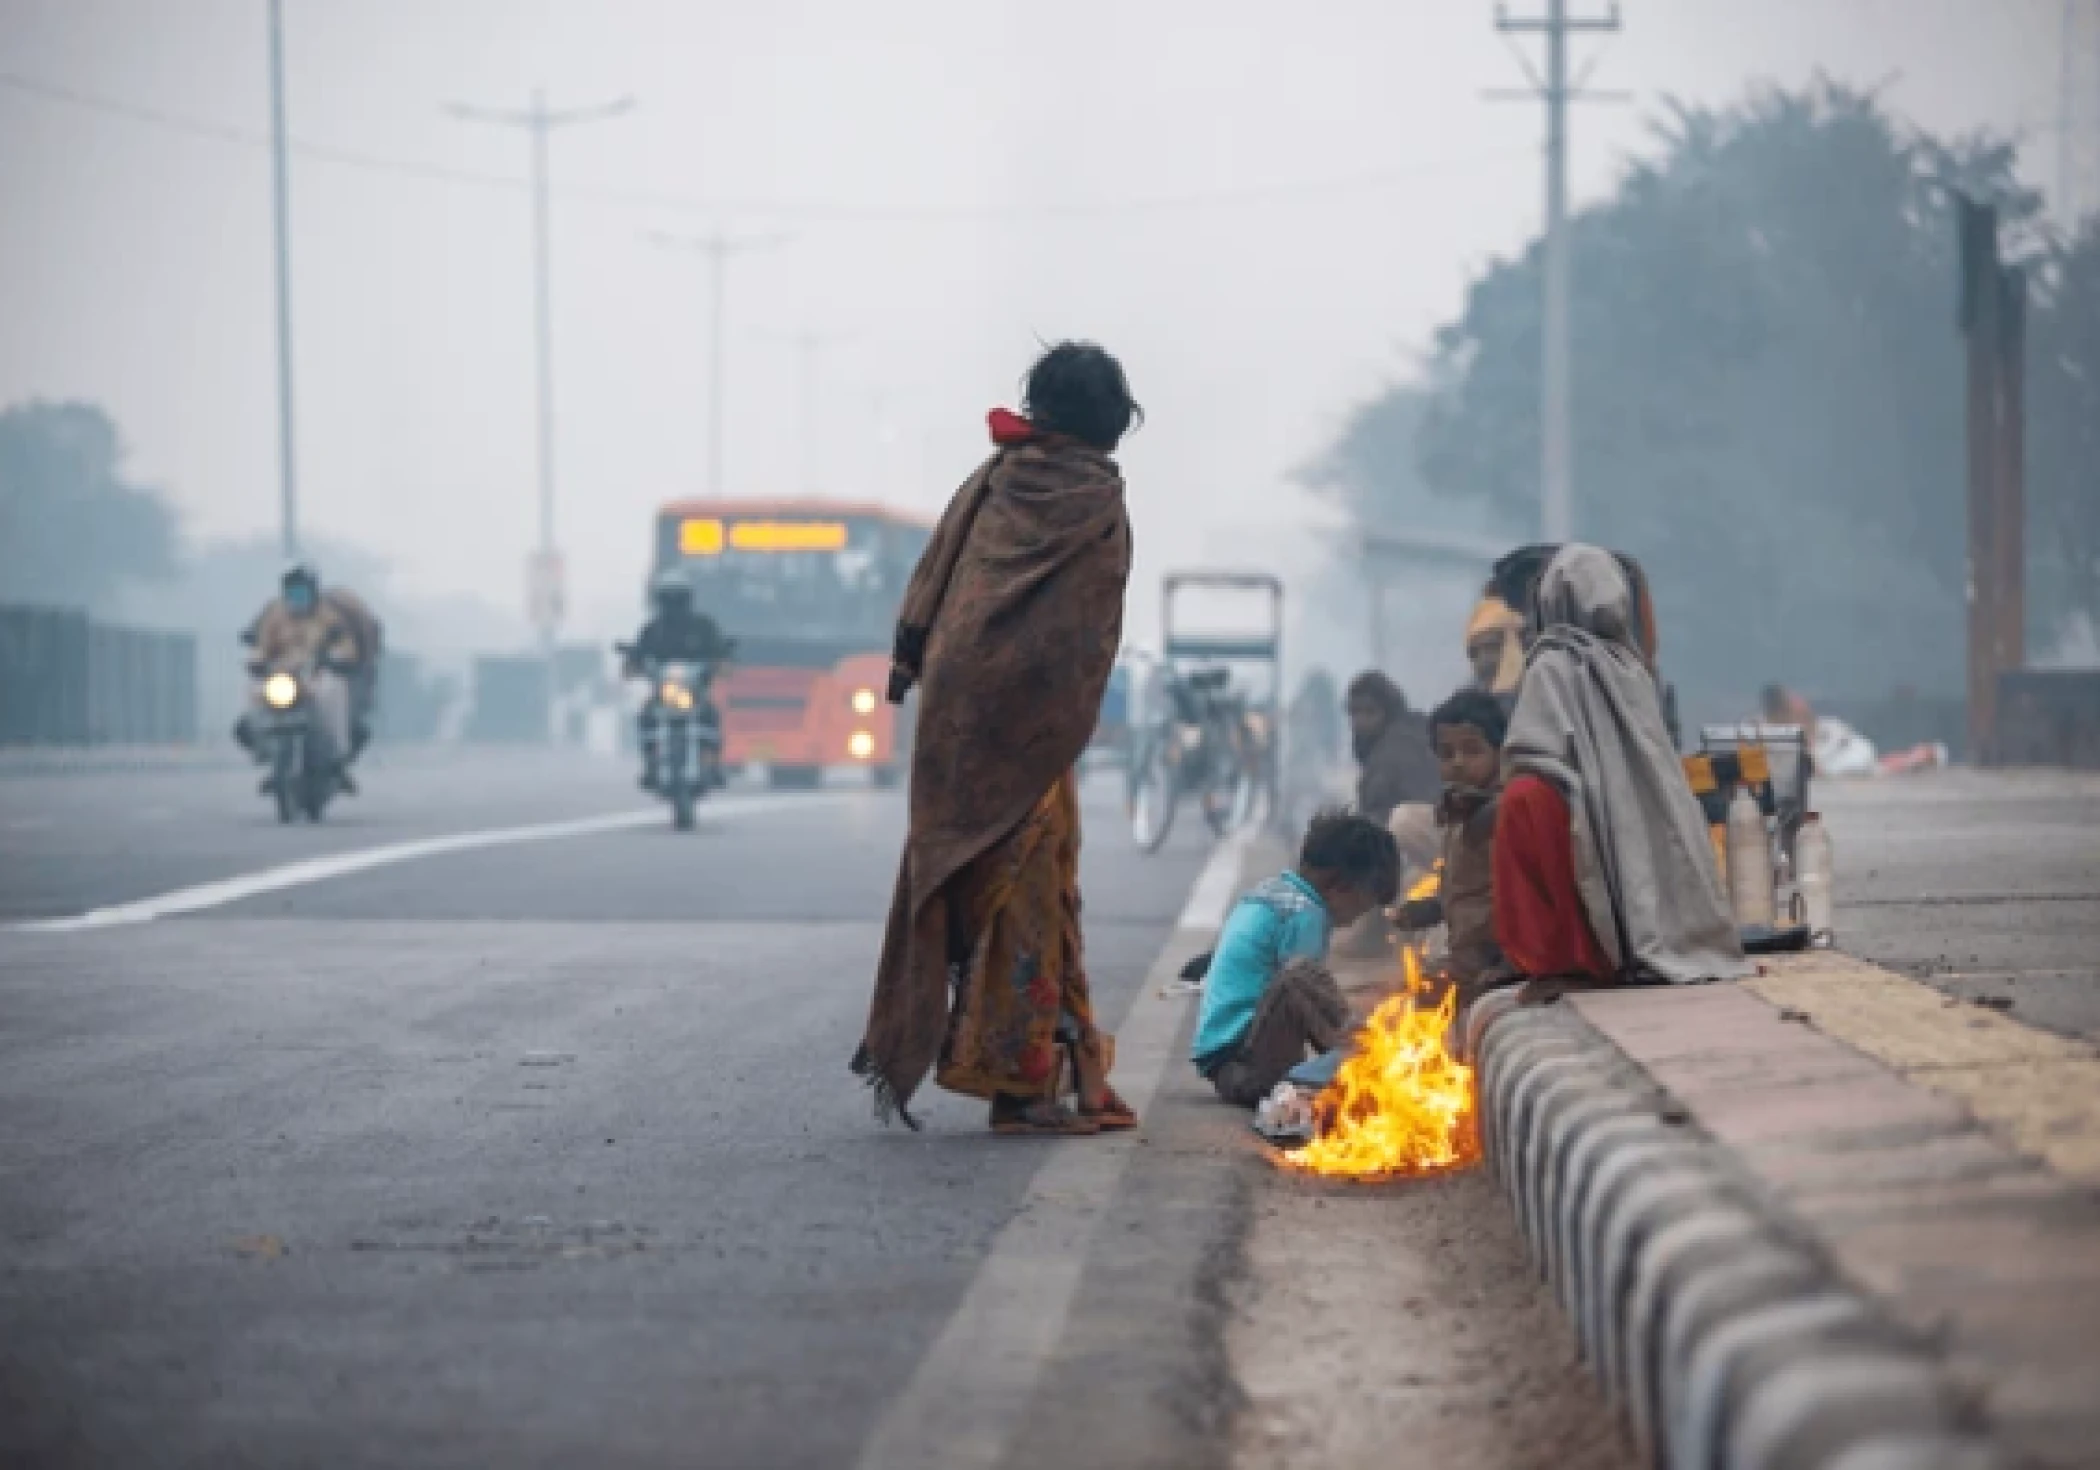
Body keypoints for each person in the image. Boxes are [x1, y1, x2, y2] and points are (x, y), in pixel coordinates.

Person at [851, 341, 1140, 1136]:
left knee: (1007, 882)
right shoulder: (1094, 496)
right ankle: (1023, 1089)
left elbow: (936, 583)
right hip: (1031, 726)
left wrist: (913, 661)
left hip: (956, 714)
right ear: (1110, 418)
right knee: (1031, 894)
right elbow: (1083, 630)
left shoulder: (992, 481)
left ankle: (1070, 1068)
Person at [1493, 545, 1749, 990]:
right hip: (1626, 814)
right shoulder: (1632, 669)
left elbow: (1531, 751)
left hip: (1574, 815)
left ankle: (1561, 958)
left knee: (1523, 799)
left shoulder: (1550, 662)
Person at [1191, 809, 1399, 1107]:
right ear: (1339, 886)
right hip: (1249, 1068)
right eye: (1363, 906)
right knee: (1302, 979)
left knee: (1306, 982)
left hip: (1226, 1065)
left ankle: (1357, 1056)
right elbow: (1307, 990)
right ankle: (1366, 1062)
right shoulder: (1306, 915)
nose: (1356, 920)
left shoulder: (1272, 894)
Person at [1392, 689, 1510, 1007]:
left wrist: (1509, 965)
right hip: (1467, 958)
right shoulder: (1458, 814)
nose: (1458, 763)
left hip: (1498, 964)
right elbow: (1469, 893)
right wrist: (1428, 910)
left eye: (1472, 751)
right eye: (1446, 754)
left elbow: (1524, 899)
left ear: (1500, 752)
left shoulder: (1504, 814)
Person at [238, 563, 358, 779]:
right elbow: (262, 646)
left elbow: (343, 643)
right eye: (293, 592)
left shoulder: (327, 615)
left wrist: (336, 657)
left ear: (313, 593)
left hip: (315, 674)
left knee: (333, 690)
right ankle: (260, 745)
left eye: (302, 592)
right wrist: (256, 660)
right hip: (281, 675)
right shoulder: (275, 614)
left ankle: (337, 753)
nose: (297, 598)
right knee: (252, 691)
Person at [625, 570, 735, 791]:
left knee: (712, 717)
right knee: (645, 718)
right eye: (668, 598)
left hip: (695, 692)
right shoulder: (653, 629)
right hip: (663, 694)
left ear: (688, 599)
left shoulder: (703, 626)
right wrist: (633, 665)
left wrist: (721, 662)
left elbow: (720, 650)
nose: (673, 605)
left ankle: (712, 763)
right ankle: (650, 765)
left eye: (678, 598)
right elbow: (637, 654)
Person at [1464, 592, 1527, 704]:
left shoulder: (1543, 687)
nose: (1483, 660)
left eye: (1492, 647)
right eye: (1474, 653)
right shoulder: (1470, 704)